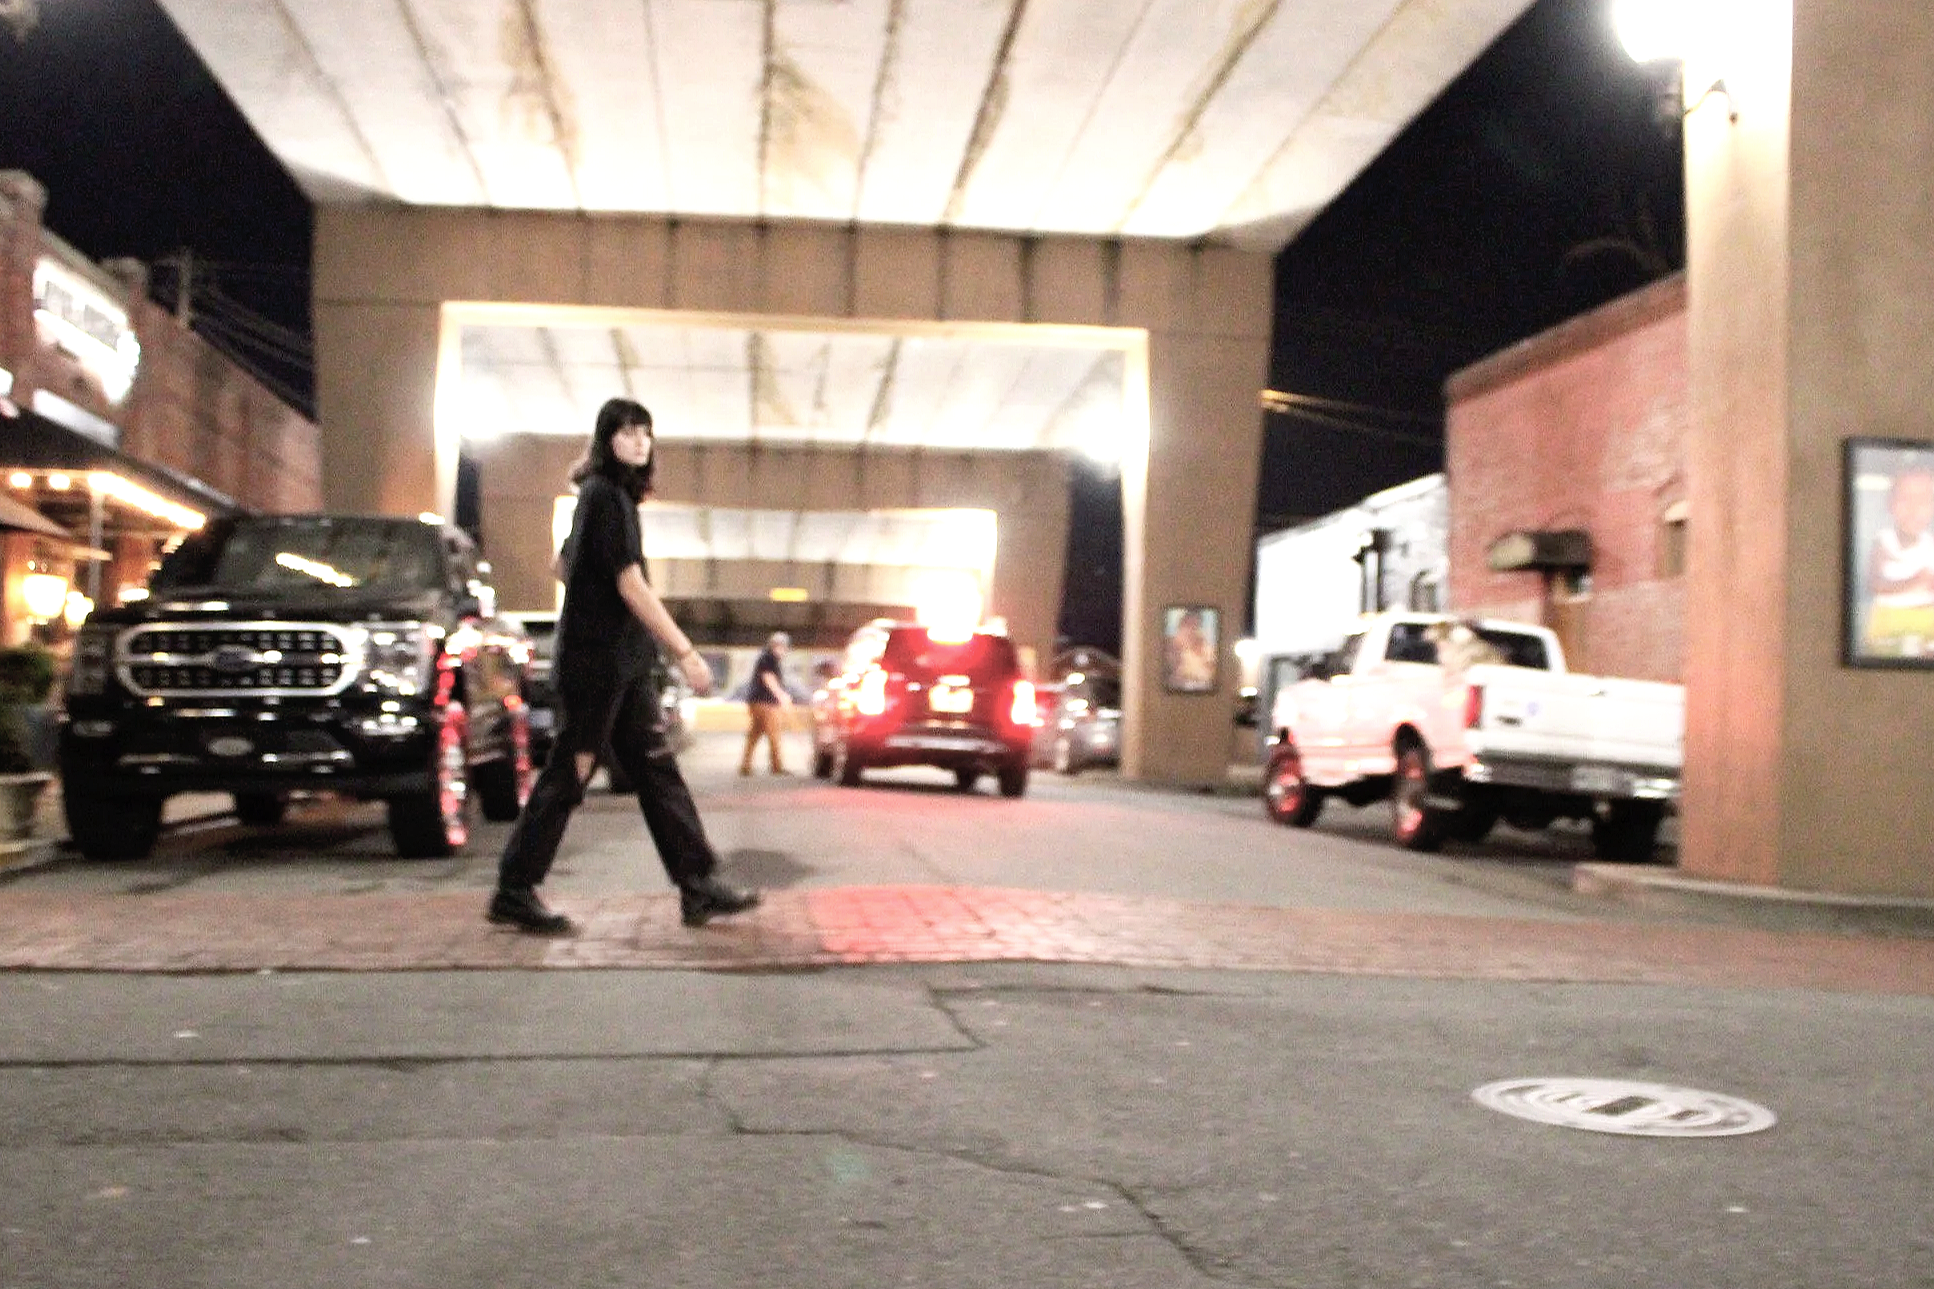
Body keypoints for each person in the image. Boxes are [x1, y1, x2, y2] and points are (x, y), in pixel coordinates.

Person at [488, 397, 761, 935]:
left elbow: (561, 564)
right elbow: (629, 582)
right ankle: (514, 889)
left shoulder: (601, 498)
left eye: (645, 433)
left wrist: (595, 593)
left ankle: (698, 885)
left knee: (657, 767)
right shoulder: (606, 496)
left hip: (625, 664)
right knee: (573, 770)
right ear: (606, 439)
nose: (639, 441)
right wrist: (684, 651)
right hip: (597, 666)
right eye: (627, 432)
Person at [1863, 465, 1934, 657]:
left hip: (1927, 621)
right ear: (1890, 504)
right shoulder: (1884, 543)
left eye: (1924, 500)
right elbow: (1874, 584)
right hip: (1888, 620)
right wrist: (1912, 582)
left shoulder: (1931, 545)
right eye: (1905, 499)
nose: (1914, 508)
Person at [739, 630, 794, 776]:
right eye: (784, 647)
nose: (785, 651)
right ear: (777, 645)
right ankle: (777, 767)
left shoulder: (765, 657)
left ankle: (745, 766)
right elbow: (768, 678)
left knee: (754, 734)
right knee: (774, 734)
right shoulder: (769, 658)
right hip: (766, 703)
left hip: (756, 701)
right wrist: (782, 696)